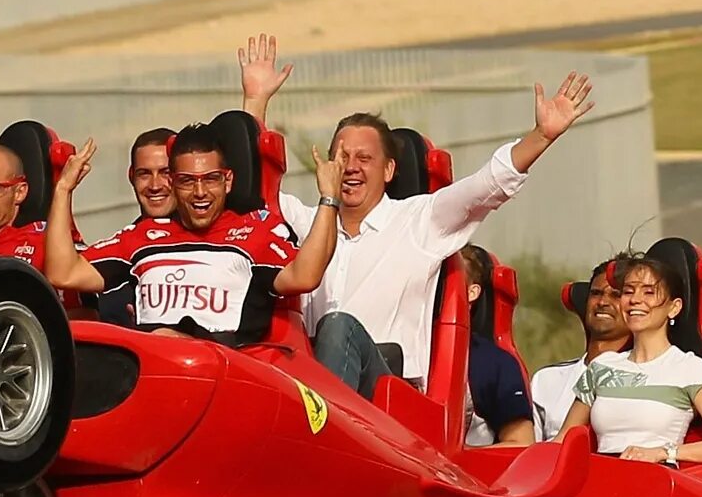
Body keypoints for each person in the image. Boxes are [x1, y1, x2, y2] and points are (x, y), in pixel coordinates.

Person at [254, 56, 598, 397]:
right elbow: (254, 194)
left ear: (388, 171)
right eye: (342, 158)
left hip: (390, 397)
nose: (351, 168)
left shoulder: (419, 220)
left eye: (364, 159)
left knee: (337, 326)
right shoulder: (305, 224)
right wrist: (255, 101)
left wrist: (541, 136)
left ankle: (320, 429)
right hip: (310, 386)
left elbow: (485, 186)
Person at [37, 126, 339, 343]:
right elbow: (63, 272)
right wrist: (63, 190)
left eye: (211, 180)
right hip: (154, 374)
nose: (199, 192)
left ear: (228, 181)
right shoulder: (143, 237)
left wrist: (329, 200)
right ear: (173, 182)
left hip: (229, 374)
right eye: (186, 181)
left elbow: (306, 275)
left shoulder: (253, 234)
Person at [557, 249, 702, 464]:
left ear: (674, 308)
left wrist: (663, 453)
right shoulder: (601, 366)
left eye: (648, 292)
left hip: (657, 481)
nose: (635, 300)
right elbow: (562, 440)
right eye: (628, 291)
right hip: (601, 479)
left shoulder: (689, 367)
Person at [529, 262, 628, 439]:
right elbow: (528, 451)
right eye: (596, 293)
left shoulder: (648, 377)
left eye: (616, 295)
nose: (603, 302)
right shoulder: (545, 380)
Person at [457, 243, 536, 446]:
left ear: (472, 292)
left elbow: (520, 443)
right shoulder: (404, 350)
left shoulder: (495, 363)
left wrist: (457, 457)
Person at [125, 128, 178, 221]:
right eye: (145, 174)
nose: (155, 186)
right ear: (131, 176)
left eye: (166, 173)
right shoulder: (125, 235)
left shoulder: (207, 234)